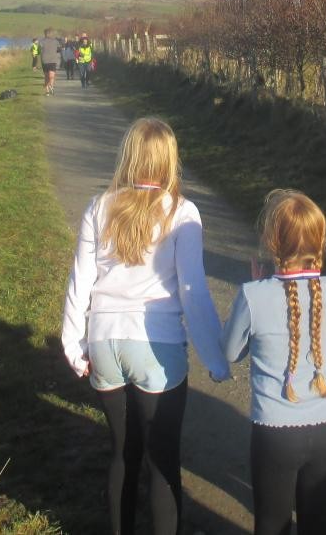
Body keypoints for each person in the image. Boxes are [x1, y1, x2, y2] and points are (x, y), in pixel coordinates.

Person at [62, 118, 231, 535]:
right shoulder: (182, 213)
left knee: (122, 452)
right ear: (169, 160)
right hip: (155, 346)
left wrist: (72, 343)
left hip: (104, 341)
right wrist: (216, 357)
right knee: (163, 461)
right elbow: (193, 292)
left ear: (129, 154)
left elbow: (80, 279)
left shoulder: (99, 207)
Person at [221, 189, 326, 535]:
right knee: (319, 525)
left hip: (275, 434)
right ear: (320, 241)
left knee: (272, 524)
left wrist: (254, 288)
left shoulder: (254, 294)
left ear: (272, 242)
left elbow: (231, 352)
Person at [37, 28, 61, 96]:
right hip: (45, 61)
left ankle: (51, 86)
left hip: (52, 60)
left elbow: (59, 49)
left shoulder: (55, 41)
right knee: (47, 76)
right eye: (47, 33)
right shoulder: (42, 41)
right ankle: (47, 91)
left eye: (49, 33)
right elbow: (39, 51)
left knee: (51, 76)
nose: (48, 34)